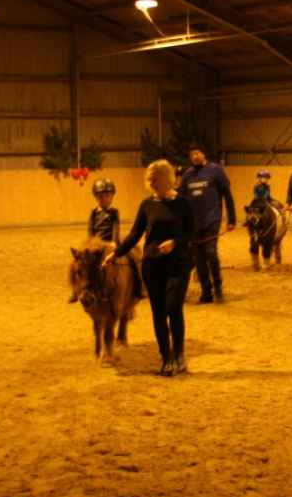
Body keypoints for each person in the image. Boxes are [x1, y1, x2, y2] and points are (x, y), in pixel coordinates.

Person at [105, 160, 195, 376]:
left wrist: (175, 242)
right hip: (153, 265)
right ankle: (166, 358)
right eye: (150, 180)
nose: (152, 184)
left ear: (167, 179)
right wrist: (116, 253)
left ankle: (179, 354)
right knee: (159, 313)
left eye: (156, 180)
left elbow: (192, 233)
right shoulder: (147, 205)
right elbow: (135, 234)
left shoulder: (183, 204)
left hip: (178, 264)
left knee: (173, 308)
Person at [69, 178, 142, 303]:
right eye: (101, 196)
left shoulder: (114, 212)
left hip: (110, 243)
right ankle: (76, 290)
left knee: (132, 259)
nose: (104, 199)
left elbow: (115, 227)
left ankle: (138, 287)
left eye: (107, 196)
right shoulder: (93, 212)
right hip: (96, 245)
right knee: (78, 263)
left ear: (112, 196)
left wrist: (114, 241)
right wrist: (91, 242)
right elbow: (91, 228)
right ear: (96, 197)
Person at [179, 143, 236, 303]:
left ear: (204, 154)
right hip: (194, 223)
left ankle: (217, 287)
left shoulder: (216, 170)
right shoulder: (187, 175)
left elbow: (227, 195)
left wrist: (232, 219)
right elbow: (180, 198)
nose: (195, 156)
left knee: (210, 252)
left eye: (197, 153)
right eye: (192, 155)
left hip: (212, 219)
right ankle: (206, 293)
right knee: (199, 259)